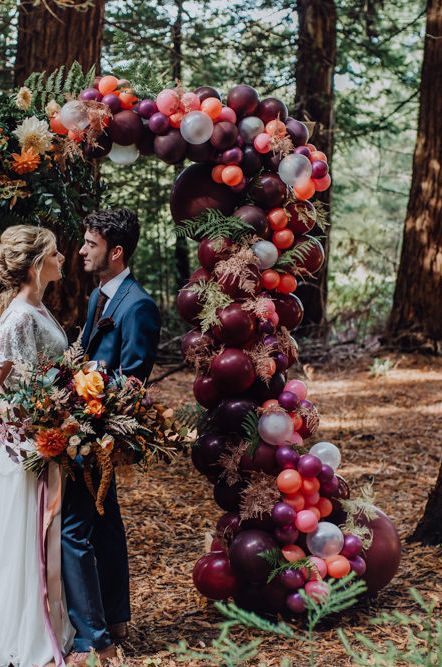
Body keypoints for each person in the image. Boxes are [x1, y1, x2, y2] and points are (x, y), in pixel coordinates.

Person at [61, 208, 161, 664]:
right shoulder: (99, 297)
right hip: (81, 425)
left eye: (90, 244)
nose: (81, 250)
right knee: (105, 524)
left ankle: (92, 638)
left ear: (116, 251)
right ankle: (116, 617)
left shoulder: (137, 304)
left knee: (75, 531)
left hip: (96, 432)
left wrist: (89, 410)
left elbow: (133, 379)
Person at [0, 225, 75, 667]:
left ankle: (48, 625)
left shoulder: (36, 307)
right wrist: (49, 429)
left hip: (41, 440)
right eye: (55, 253)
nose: (62, 259)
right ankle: (26, 637)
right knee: (26, 538)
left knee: (40, 539)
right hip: (25, 446)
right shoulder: (19, 319)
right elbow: (17, 390)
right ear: (35, 265)